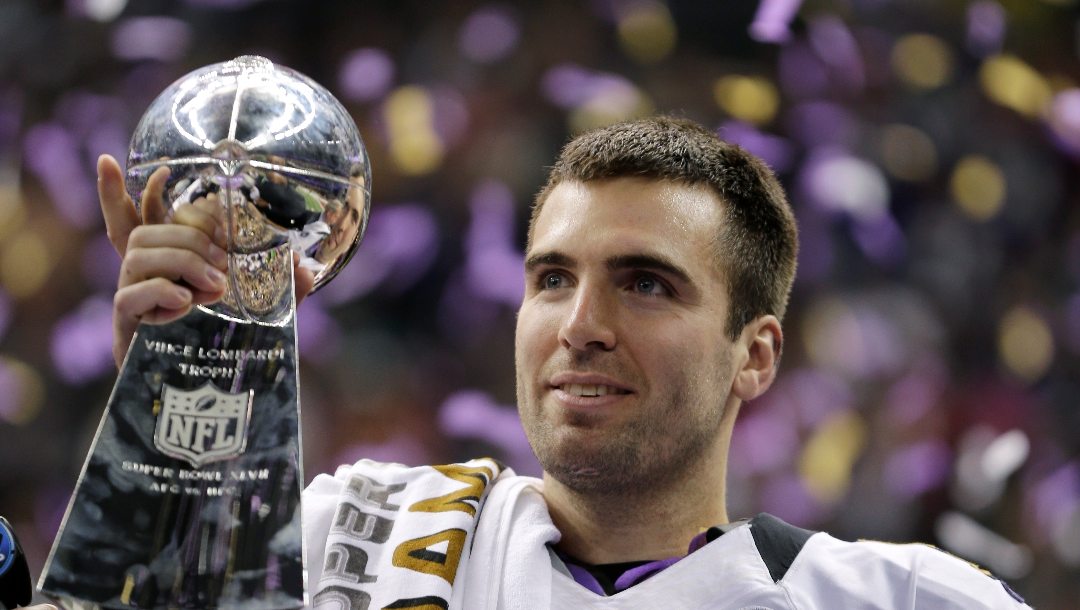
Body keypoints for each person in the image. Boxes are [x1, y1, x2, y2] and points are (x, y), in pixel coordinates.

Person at [96, 116, 1029, 609]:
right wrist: (173, 422)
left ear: (755, 355)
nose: (580, 324)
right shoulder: (356, 535)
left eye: (647, 284)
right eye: (551, 279)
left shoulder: (902, 600)